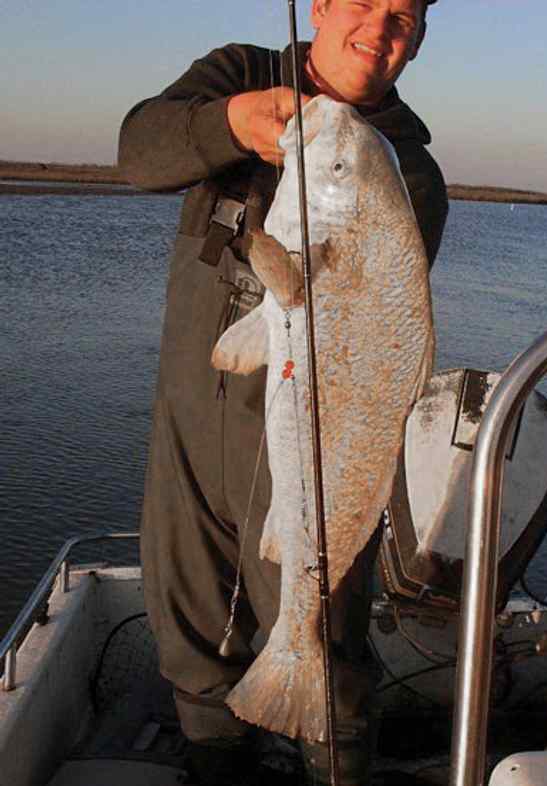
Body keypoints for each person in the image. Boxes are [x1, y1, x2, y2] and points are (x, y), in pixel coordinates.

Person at [118, 1, 448, 783]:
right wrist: (229, 124)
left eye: (404, 15)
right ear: (324, 7)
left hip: (317, 439)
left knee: (325, 656)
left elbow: (379, 334)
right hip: (191, 425)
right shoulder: (238, 72)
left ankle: (333, 767)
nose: (379, 26)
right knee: (191, 629)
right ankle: (215, 763)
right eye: (363, 2)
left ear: (419, 41)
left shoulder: (411, 170)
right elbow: (137, 154)